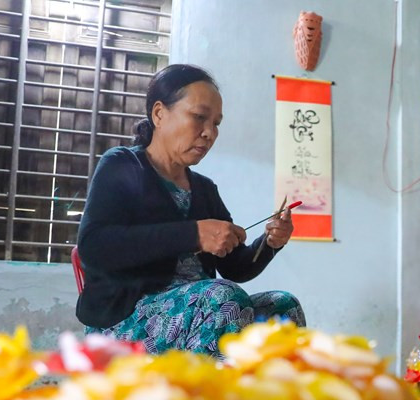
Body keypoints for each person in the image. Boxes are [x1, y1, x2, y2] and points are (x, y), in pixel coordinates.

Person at [76, 64, 305, 356]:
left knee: (283, 306)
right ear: (159, 113)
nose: (209, 133)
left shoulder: (204, 189)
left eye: (216, 123)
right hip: (127, 319)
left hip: (203, 309)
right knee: (222, 298)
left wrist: (270, 243)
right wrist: (193, 234)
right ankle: (206, 399)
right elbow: (95, 248)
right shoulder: (122, 166)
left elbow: (236, 267)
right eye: (199, 117)